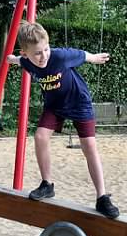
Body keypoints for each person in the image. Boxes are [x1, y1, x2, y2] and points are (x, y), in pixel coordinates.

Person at [7, 22, 120, 218]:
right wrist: (11, 59)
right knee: (40, 137)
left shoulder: (60, 56)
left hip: (79, 102)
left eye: (46, 49)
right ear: (25, 54)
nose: (44, 56)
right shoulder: (26, 62)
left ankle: (102, 197)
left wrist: (95, 58)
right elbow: (18, 60)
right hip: (54, 106)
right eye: (37, 53)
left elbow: (82, 55)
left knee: (89, 145)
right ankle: (47, 184)